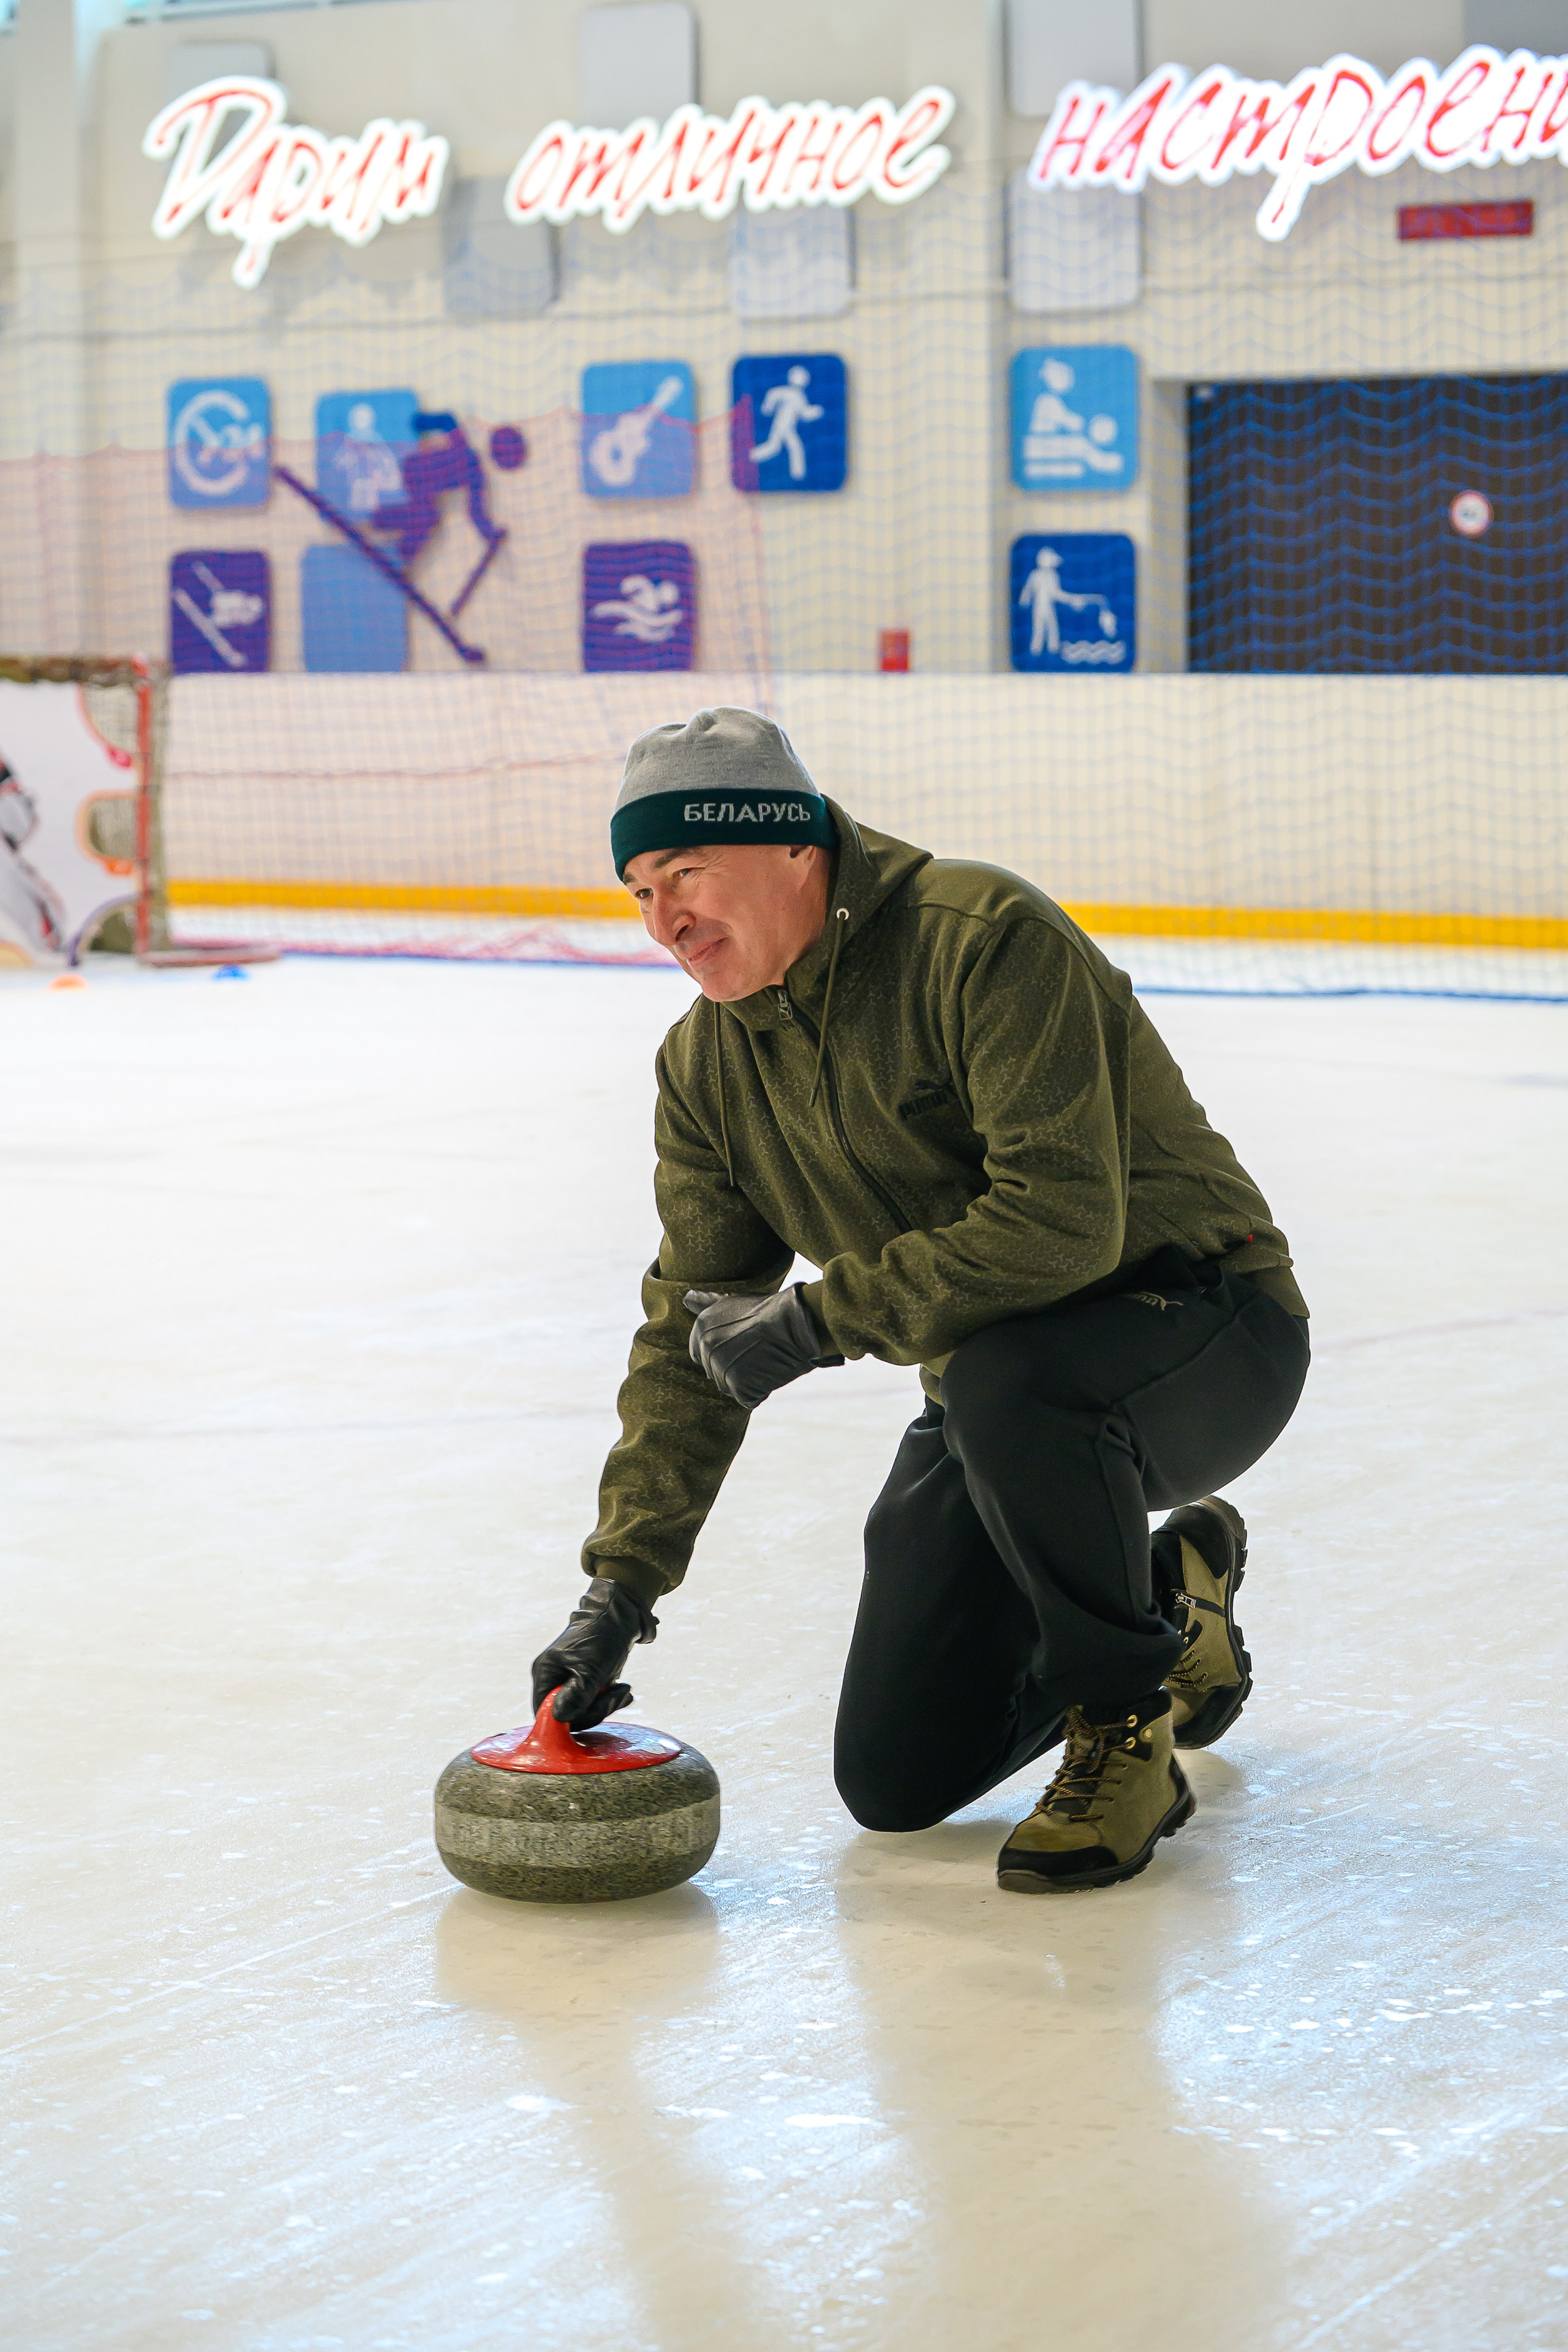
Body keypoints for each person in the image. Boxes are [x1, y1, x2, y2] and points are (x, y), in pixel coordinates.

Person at [531, 709, 1309, 1893]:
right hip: (1000, 1397)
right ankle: (1171, 1601)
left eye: (687, 871)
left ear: (797, 848)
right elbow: (690, 1329)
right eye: (640, 889)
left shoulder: (979, 937)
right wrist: (618, 1588)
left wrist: (813, 1321)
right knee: (896, 1777)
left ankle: (1126, 1722)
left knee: (1012, 1384)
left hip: (1204, 1326)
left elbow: (1060, 1220)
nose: (666, 918)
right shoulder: (706, 1069)